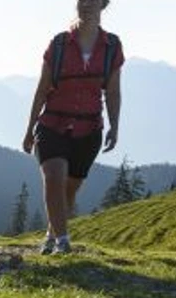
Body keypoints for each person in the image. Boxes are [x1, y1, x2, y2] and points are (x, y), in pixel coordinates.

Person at [22, 0, 124, 254]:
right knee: (54, 177)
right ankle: (63, 242)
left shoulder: (112, 47)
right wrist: (29, 128)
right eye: (81, 0)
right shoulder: (58, 45)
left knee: (69, 189)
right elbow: (42, 89)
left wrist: (114, 126)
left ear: (103, 5)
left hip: (88, 131)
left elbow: (113, 92)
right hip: (52, 125)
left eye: (92, 1)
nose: (86, 5)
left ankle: (51, 233)